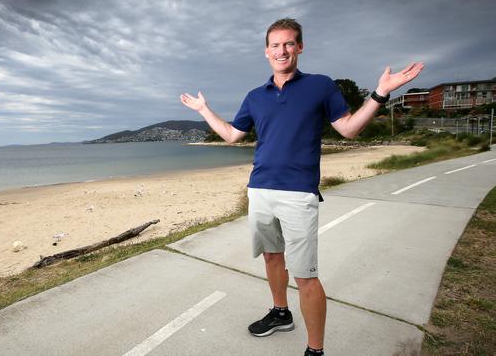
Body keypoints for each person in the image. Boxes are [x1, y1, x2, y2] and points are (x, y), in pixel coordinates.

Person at [180, 18, 423, 356]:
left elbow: (349, 129)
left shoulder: (320, 86)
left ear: (300, 47)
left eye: (289, 44)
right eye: (275, 45)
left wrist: (380, 93)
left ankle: (315, 350)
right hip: (260, 190)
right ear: (266, 52)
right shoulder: (254, 97)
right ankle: (281, 313)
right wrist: (204, 109)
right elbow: (233, 135)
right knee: (271, 258)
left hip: (298, 194)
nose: (282, 51)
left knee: (306, 275)